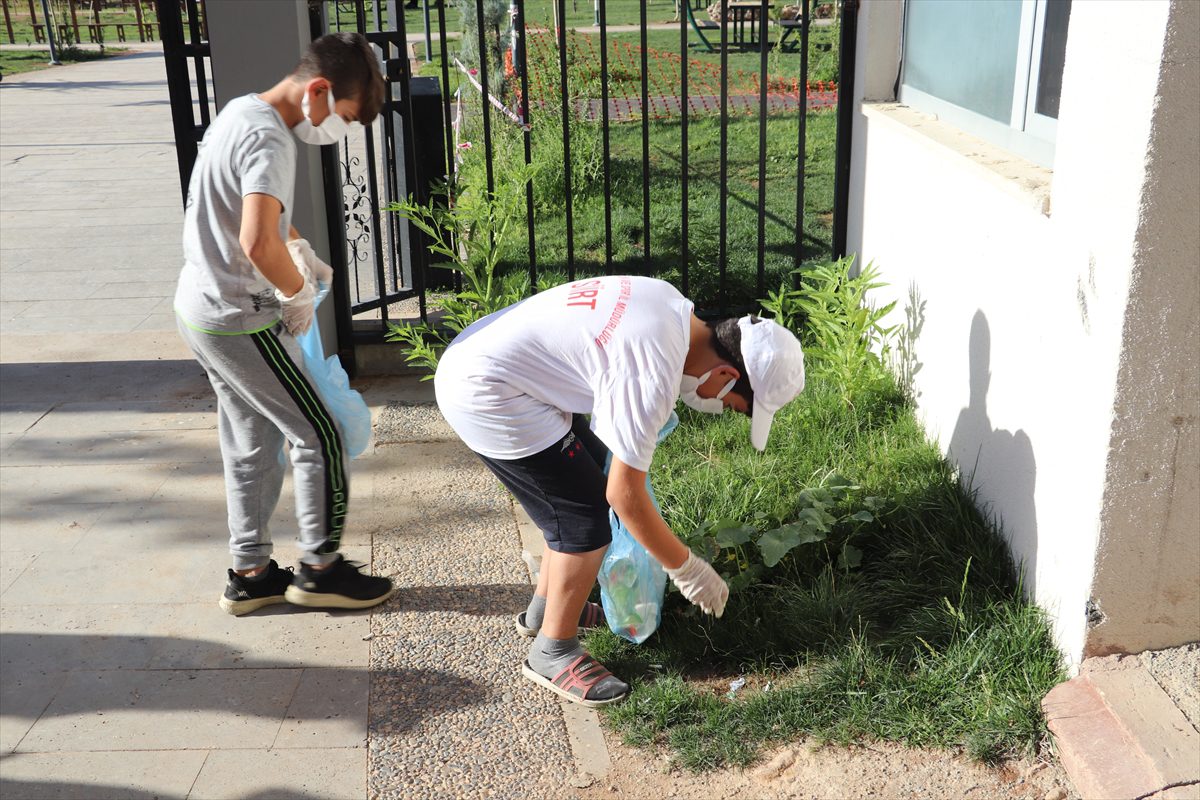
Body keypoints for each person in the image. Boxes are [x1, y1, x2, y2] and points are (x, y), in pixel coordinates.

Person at [434, 275, 806, 706]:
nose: (721, 409)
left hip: (491, 357)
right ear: (725, 373)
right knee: (583, 521)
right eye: (732, 405)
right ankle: (552, 651)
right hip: (487, 391)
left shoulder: (671, 305)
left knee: (579, 489)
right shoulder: (653, 370)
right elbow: (623, 495)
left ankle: (544, 610)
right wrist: (687, 569)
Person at [174, 32, 395, 616]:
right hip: (239, 318)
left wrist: (299, 249)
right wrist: (297, 292)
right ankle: (320, 569)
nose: (337, 132)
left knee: (251, 439)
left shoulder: (240, 111)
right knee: (318, 434)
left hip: (201, 306)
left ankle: (250, 574)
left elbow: (254, 219)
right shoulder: (271, 139)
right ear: (317, 89)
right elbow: (253, 239)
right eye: (342, 118)